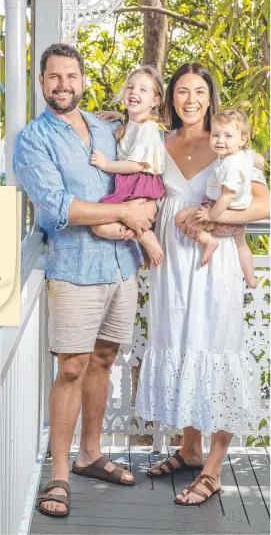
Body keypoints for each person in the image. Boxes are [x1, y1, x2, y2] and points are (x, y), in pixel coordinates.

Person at [13, 43, 156, 518]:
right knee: (71, 367)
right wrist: (122, 213)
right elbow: (57, 208)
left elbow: (142, 167)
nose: (63, 86)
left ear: (81, 80)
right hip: (74, 268)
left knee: (104, 357)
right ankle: (58, 475)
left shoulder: (103, 126)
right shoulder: (33, 140)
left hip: (121, 262)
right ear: (41, 82)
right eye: (54, 77)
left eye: (71, 77)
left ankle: (90, 454)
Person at [134, 63, 269, 506]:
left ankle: (212, 468)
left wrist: (213, 217)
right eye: (181, 92)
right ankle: (189, 449)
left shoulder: (228, 143)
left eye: (198, 92)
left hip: (215, 265)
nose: (190, 100)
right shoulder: (160, 141)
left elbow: (264, 203)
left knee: (217, 350)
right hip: (170, 266)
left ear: (211, 96)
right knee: (184, 347)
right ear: (169, 98)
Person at [176, 108, 264, 288]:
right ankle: (251, 278)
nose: (220, 140)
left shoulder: (229, 166)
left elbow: (227, 195)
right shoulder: (244, 154)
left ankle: (208, 242)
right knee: (241, 245)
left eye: (227, 136)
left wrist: (211, 216)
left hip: (219, 211)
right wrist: (256, 161)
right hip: (240, 215)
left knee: (181, 217)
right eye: (215, 135)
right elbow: (260, 161)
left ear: (242, 140)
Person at [90, 66, 165, 267]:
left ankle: (143, 236)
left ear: (155, 100)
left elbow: (135, 164)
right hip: (133, 184)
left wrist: (106, 164)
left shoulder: (148, 128)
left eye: (143, 90)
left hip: (139, 184)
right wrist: (118, 115)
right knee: (101, 224)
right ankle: (140, 234)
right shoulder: (134, 123)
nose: (134, 92)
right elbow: (132, 129)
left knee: (99, 225)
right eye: (130, 88)